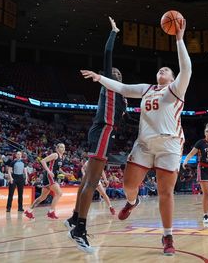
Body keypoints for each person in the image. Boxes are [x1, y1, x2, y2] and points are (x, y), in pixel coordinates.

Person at [80, 17, 191, 256]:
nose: (163, 70)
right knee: (129, 184)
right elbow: (121, 88)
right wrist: (100, 78)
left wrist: (179, 40)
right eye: (160, 69)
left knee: (165, 192)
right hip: (144, 144)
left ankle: (168, 236)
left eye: (167, 70)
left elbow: (187, 68)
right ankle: (132, 202)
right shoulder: (146, 89)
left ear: (172, 79)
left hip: (170, 145)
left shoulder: (176, 89)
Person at [66, 17, 127, 253]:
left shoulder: (121, 94)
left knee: (86, 180)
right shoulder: (109, 84)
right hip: (102, 130)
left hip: (103, 132)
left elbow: (123, 117)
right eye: (113, 72)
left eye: (118, 73)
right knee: (92, 182)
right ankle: (79, 230)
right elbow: (108, 53)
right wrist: (113, 32)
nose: (116, 73)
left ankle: (74, 218)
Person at [24, 143, 69, 219]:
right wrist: (49, 171)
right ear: (57, 148)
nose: (63, 148)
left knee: (43, 197)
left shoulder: (62, 157)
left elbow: (58, 168)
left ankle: (29, 211)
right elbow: (43, 161)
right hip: (49, 176)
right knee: (59, 193)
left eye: (64, 147)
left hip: (51, 176)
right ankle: (51, 212)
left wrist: (64, 173)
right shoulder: (55, 155)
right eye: (61, 147)